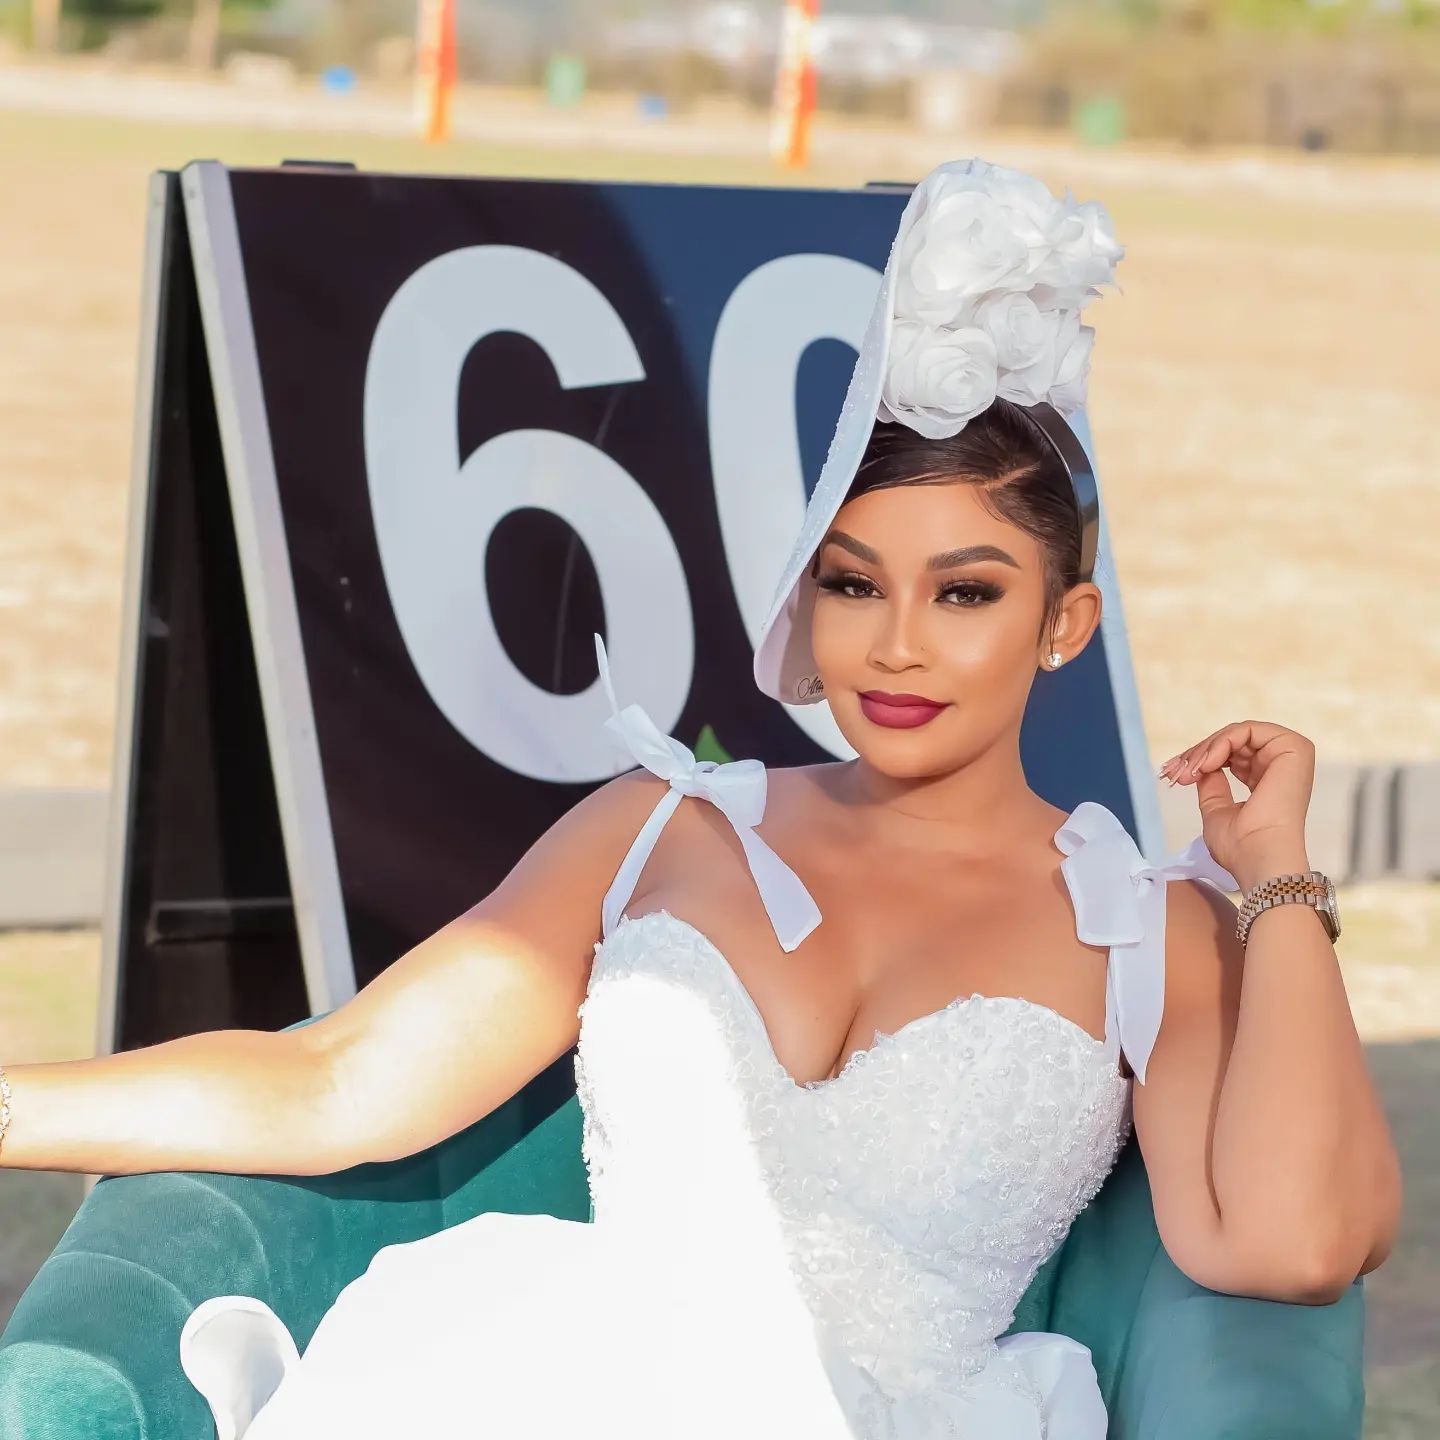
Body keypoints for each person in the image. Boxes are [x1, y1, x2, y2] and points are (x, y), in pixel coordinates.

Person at [0, 158, 1400, 1440]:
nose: (895, 646)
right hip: (544, 1388)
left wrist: (1276, 878)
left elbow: (1289, 1247)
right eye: (853, 583)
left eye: (965, 594)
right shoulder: (661, 827)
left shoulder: (1146, 929)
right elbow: (340, 1082)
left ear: (1064, 624)